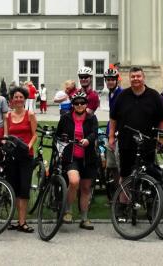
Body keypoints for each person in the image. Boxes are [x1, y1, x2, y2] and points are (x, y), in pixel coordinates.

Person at [108, 67, 163, 179]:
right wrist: (111, 137)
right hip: (126, 144)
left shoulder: (154, 96)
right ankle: (125, 197)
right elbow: (113, 118)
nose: (136, 79)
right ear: (129, 79)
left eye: (138, 76)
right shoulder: (122, 96)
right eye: (133, 76)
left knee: (148, 177)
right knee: (125, 177)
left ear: (143, 78)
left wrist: (161, 139)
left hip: (147, 145)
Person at [56, 92, 98, 229]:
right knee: (74, 181)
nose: (79, 105)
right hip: (71, 156)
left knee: (85, 188)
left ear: (86, 104)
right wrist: (62, 144)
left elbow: (94, 133)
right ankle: (67, 210)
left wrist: (88, 140)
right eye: (76, 103)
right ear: (72, 105)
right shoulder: (66, 118)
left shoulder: (92, 118)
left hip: (88, 157)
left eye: (82, 103)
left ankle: (84, 218)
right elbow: (58, 135)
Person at [5, 87, 38, 232]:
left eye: (21, 97)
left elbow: (34, 134)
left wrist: (28, 146)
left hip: (26, 155)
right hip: (12, 155)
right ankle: (17, 220)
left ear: (25, 99)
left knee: (24, 188)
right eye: (15, 97)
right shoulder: (7, 116)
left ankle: (22, 221)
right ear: (11, 100)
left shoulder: (29, 114)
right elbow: (6, 135)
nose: (18, 99)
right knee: (14, 188)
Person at [104, 66, 123, 178]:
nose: (110, 82)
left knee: (119, 165)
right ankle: (116, 192)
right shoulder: (111, 94)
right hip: (111, 131)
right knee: (112, 166)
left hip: (117, 134)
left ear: (116, 80)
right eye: (108, 79)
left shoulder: (121, 94)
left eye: (112, 79)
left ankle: (123, 192)